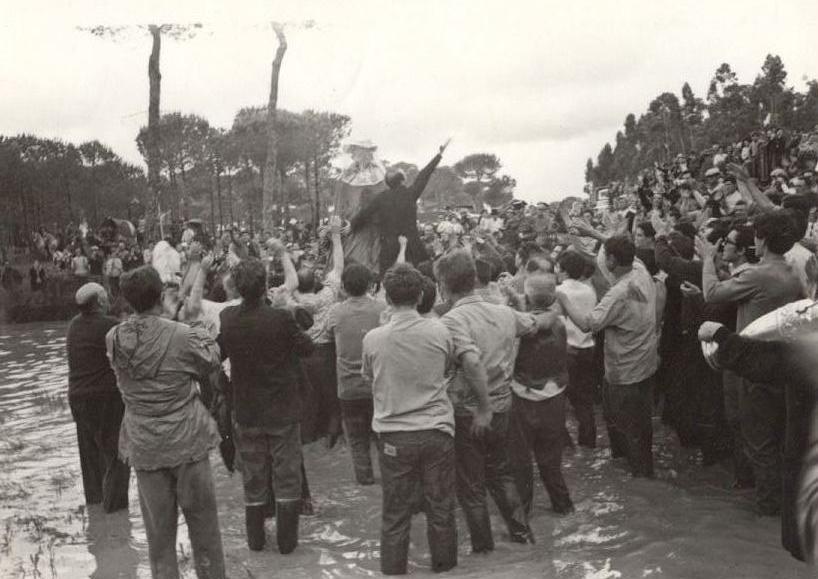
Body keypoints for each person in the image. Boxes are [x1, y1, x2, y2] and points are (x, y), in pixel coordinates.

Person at [107, 266, 226, 578]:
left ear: (128, 301)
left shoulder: (114, 338)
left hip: (144, 444)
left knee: (159, 540)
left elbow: (146, 345)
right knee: (205, 534)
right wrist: (188, 320)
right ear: (161, 296)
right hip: (187, 439)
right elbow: (212, 358)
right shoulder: (183, 335)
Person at [437, 250, 557, 551]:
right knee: (502, 474)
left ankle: (484, 552)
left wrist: (483, 409)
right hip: (503, 405)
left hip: (471, 411)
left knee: (472, 485)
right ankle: (523, 538)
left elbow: (471, 362)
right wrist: (547, 312)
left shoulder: (451, 320)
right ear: (474, 280)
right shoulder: (503, 313)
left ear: (444, 285)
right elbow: (537, 323)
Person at [701, 211, 803, 515]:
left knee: (759, 441)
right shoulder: (791, 271)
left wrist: (707, 259)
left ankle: (768, 509)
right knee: (773, 437)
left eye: (757, 236)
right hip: (781, 363)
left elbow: (711, 294)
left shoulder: (759, 274)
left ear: (764, 240)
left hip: (753, 363)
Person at [362, 263, 457, 575]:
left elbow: (368, 378)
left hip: (394, 436)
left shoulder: (373, 338)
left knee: (395, 514)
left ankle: (393, 572)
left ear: (387, 299)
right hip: (436, 431)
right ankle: (446, 570)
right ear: (420, 297)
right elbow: (448, 370)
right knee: (441, 509)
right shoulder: (440, 330)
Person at [218, 258, 314, 554]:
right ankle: (287, 545)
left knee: (253, 475)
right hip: (282, 410)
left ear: (237, 288)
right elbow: (307, 348)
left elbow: (218, 352)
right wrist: (288, 310)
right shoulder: (280, 318)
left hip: (246, 410)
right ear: (264, 287)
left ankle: (256, 543)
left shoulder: (227, 318)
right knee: (287, 476)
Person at [558, 235, 658, 478]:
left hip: (624, 373)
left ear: (612, 260)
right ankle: (639, 482)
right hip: (645, 366)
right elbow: (624, 254)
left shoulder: (618, 293)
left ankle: (637, 486)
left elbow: (587, 324)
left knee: (627, 433)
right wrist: (592, 232)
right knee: (640, 431)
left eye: (606, 257)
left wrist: (563, 299)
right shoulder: (641, 272)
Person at [508, 274, 574, 516]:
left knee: (520, 463)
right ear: (553, 298)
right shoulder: (560, 323)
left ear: (527, 297)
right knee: (551, 463)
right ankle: (564, 508)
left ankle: (522, 519)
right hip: (554, 398)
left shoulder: (521, 328)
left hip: (523, 398)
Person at [67, 282, 130, 513]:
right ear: (101, 302)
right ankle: (117, 514)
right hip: (105, 399)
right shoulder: (109, 325)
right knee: (117, 455)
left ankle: (96, 511)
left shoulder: (73, 326)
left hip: (78, 398)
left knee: (90, 459)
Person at [326, 263, 386, 485]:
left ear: (343, 286)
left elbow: (328, 336)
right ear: (370, 285)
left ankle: (364, 477)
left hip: (348, 386)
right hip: (378, 383)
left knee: (356, 437)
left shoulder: (336, 312)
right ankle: (389, 475)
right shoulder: (382, 309)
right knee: (383, 435)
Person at [350, 141, 449, 275]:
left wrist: (350, 226)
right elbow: (424, 175)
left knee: (389, 278)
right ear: (402, 180)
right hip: (413, 247)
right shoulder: (410, 194)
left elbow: (364, 214)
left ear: (388, 183)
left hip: (389, 249)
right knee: (421, 275)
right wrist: (438, 155)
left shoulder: (381, 198)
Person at [555, 250, 598, 448]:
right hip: (588, 349)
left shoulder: (559, 292)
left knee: (559, 399)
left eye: (557, 267)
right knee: (585, 401)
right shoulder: (589, 290)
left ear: (563, 270)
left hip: (567, 350)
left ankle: (565, 446)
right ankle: (588, 443)